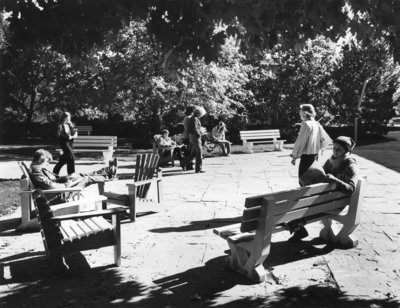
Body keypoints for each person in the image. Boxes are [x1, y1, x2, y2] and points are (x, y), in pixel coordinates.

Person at [288, 136, 359, 242]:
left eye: (339, 149)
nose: (335, 151)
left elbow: (351, 188)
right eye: (334, 147)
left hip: (335, 202)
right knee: (293, 201)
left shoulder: (350, 165)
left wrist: (335, 180)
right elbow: (322, 177)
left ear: (347, 150)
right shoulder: (330, 161)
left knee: (292, 207)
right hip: (325, 199)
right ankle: (299, 229)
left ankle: (299, 229)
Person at [30, 149, 117, 201]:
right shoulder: (36, 171)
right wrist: (67, 184)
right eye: (47, 161)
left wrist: (68, 177)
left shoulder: (37, 168)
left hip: (59, 191)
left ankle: (106, 171)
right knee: (86, 179)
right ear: (41, 160)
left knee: (79, 175)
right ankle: (107, 175)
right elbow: (50, 186)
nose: (48, 164)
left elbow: (52, 181)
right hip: (59, 195)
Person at [290, 104, 321, 185]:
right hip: (315, 155)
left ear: (304, 112)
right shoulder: (316, 123)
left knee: (303, 180)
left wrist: (294, 155)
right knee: (312, 179)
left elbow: (300, 141)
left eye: (300, 110)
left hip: (306, 157)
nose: (299, 112)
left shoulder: (306, 124)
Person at [184, 106, 206, 173]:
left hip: (192, 137)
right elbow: (194, 128)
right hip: (195, 137)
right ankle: (198, 169)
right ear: (199, 113)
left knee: (194, 153)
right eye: (201, 114)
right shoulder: (194, 119)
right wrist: (199, 133)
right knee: (199, 153)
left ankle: (184, 162)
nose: (201, 116)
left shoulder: (192, 118)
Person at [182, 106, 195, 170]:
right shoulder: (189, 118)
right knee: (189, 151)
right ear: (192, 111)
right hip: (188, 136)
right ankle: (186, 165)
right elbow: (187, 128)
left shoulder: (186, 118)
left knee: (189, 151)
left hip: (186, 136)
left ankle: (189, 165)